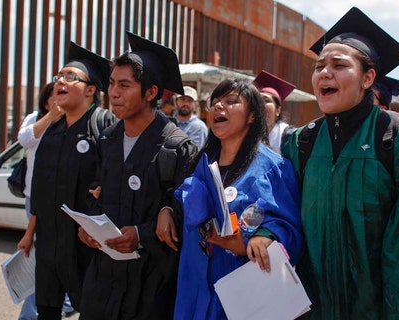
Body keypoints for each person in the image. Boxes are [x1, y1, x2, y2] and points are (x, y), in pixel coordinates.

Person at [281, 7, 399, 319]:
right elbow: (286, 220)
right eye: (318, 66)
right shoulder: (301, 142)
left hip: (378, 309)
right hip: (315, 307)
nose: (324, 73)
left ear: (368, 78)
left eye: (339, 65)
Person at [76, 32, 198, 320]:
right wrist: (90, 227)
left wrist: (141, 235)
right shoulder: (107, 139)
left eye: (125, 85)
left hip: (150, 283)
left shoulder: (177, 147)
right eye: (112, 83)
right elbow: (96, 190)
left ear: (151, 92)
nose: (114, 92)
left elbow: (185, 214)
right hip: (103, 279)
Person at [173, 78, 305, 320]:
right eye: (214, 102)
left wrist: (261, 239)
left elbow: (289, 225)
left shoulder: (272, 168)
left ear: (252, 116)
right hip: (194, 287)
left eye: (231, 102)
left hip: (242, 292)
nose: (218, 107)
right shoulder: (201, 165)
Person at [23, 42, 116, 320]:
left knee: (89, 309)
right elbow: (39, 188)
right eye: (59, 76)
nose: (60, 81)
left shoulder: (104, 126)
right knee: (47, 309)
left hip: (85, 245)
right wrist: (29, 233)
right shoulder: (52, 130)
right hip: (50, 241)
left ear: (91, 90)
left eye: (70, 76)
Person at [16, 83, 74, 319]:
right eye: (56, 96)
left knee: (58, 256)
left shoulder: (70, 123)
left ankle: (65, 301)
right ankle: (33, 311)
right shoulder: (37, 119)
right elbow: (24, 140)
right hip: (35, 196)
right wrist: (51, 115)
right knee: (41, 256)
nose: (61, 100)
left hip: (59, 198)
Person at [252, 70, 296, 153]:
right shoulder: (246, 135)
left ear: (278, 110)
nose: (260, 104)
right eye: (257, 100)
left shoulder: (289, 137)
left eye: (266, 100)